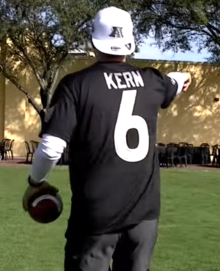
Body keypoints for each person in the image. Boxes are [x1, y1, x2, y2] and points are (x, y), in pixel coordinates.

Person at [22, 6, 192, 271]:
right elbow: (175, 81)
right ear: (130, 42)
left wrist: (35, 182)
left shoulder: (76, 85)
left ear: (93, 41)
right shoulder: (152, 80)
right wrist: (183, 78)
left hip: (96, 217)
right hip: (144, 217)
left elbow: (52, 147)